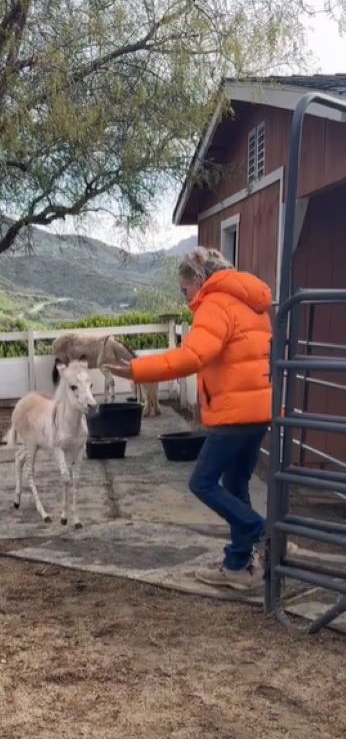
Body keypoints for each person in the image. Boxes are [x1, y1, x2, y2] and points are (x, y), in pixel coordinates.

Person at [104, 247, 273, 591]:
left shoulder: (216, 303)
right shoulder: (251, 302)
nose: (186, 300)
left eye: (185, 291)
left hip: (233, 413)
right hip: (259, 411)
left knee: (203, 483)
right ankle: (237, 566)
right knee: (237, 485)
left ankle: (266, 533)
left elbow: (193, 356)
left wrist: (137, 369)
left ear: (198, 280)